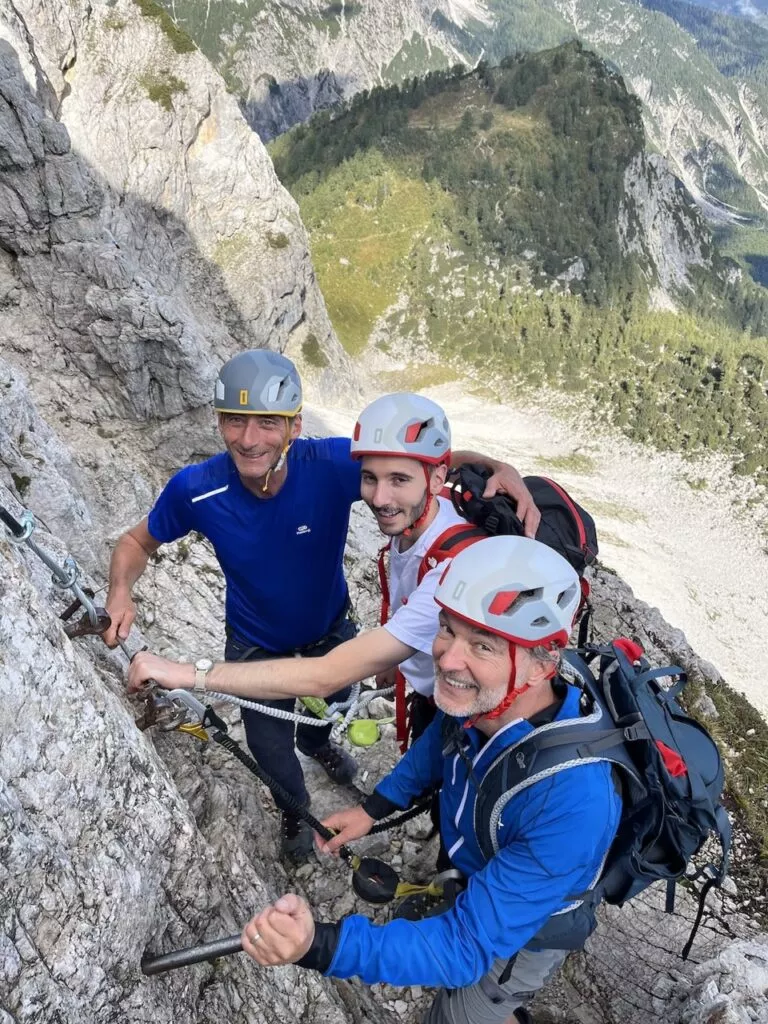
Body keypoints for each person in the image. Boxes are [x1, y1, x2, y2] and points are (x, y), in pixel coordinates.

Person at [113, 352, 538, 856]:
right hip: (256, 645)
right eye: (234, 421)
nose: (249, 440)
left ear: (294, 426)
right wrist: (120, 591)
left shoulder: (332, 466)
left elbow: (408, 458)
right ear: (219, 422)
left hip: (331, 636)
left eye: (267, 422)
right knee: (272, 754)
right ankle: (295, 816)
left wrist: (495, 467)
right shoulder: (196, 490)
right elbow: (136, 543)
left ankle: (319, 745)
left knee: (328, 710)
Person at [236, 536, 622, 1024]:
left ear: (542, 664)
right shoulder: (486, 700)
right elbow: (438, 746)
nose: (447, 658)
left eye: (482, 645)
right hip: (486, 874)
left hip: (530, 932)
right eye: (447, 630)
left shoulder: (574, 800)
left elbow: (464, 949)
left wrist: (320, 945)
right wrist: (370, 810)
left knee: (458, 1012)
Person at [126, 390, 537, 752]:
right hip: (272, 642)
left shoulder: (452, 564)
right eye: (370, 479)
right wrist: (492, 463)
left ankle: (324, 752)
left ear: (437, 479)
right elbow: (417, 462)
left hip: (476, 717)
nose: (380, 498)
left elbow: (326, 676)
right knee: (275, 749)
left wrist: (183, 672)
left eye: (398, 481)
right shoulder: (422, 512)